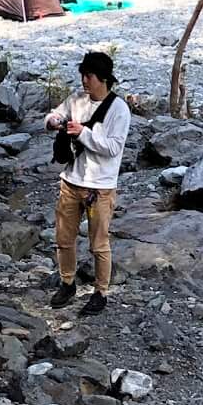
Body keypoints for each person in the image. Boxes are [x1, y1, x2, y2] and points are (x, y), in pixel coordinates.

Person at [46, 48, 130, 314]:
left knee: (99, 243)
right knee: (63, 237)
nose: (84, 81)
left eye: (89, 76)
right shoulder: (76, 100)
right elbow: (52, 116)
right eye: (83, 75)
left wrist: (83, 133)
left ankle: (100, 292)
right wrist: (54, 121)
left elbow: (113, 147)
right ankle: (67, 282)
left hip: (100, 187)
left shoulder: (119, 109)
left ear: (103, 78)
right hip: (71, 181)